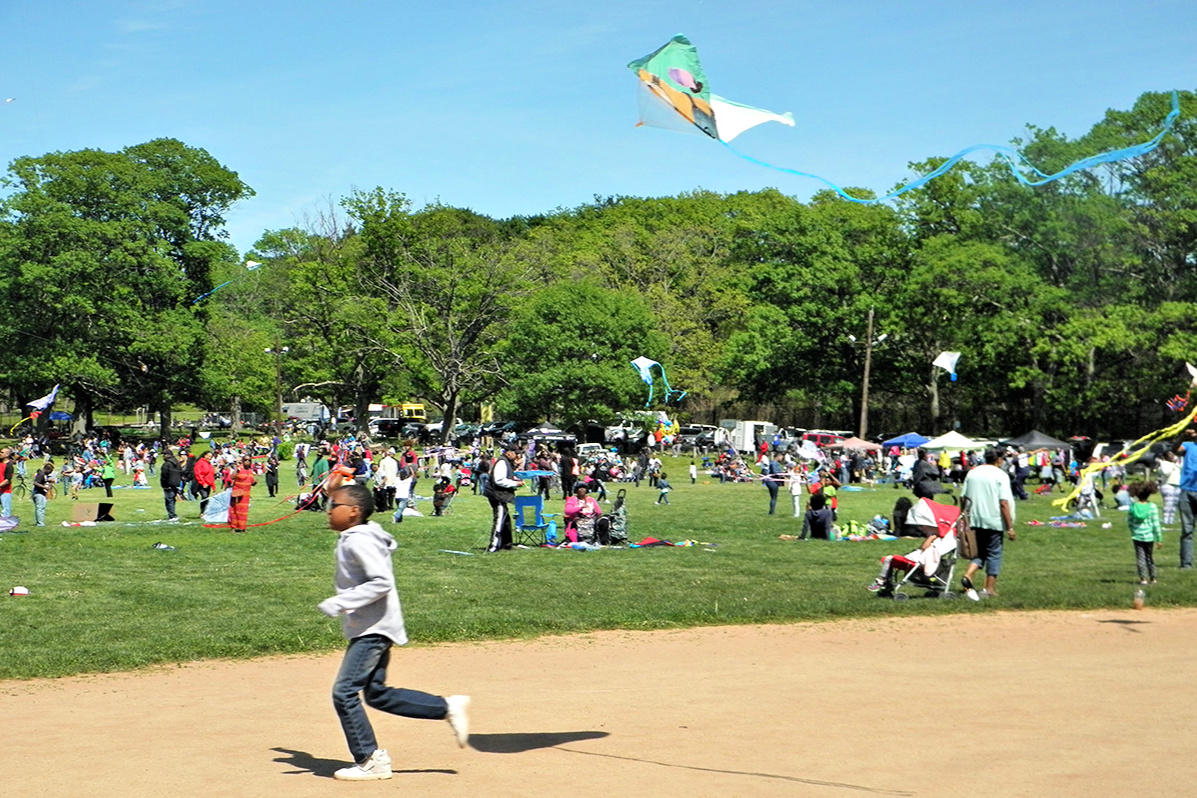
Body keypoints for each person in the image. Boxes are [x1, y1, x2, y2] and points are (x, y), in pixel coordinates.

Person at [317, 483, 470, 781]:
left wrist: (340, 602)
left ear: (353, 512)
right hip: (375, 625)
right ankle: (447, 707)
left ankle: (370, 759)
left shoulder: (357, 540)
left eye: (333, 506)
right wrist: (334, 490)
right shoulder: (360, 533)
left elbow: (380, 582)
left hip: (373, 628)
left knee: (344, 692)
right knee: (375, 694)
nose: (328, 511)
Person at [960, 448, 1016, 600]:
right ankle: (989, 588)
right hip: (994, 520)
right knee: (994, 553)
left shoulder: (973, 472)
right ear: (998, 459)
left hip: (975, 519)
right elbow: (1003, 502)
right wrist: (1009, 526)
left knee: (981, 552)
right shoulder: (1001, 475)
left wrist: (963, 516)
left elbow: (963, 497)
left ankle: (968, 575)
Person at [486, 442, 524, 552]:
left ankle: (506, 544)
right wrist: (515, 484)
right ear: (508, 453)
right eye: (515, 453)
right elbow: (499, 480)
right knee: (499, 519)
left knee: (505, 519)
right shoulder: (502, 462)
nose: (517, 456)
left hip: (501, 495)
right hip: (497, 495)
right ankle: (493, 545)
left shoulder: (507, 462)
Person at [1128, 481, 1162, 585]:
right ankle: (1153, 578)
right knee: (1149, 557)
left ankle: (1143, 579)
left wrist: (1133, 530)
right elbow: (1156, 524)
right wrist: (1159, 539)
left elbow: (1129, 522)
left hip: (1137, 536)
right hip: (1149, 537)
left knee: (1140, 558)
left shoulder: (1133, 506)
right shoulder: (1152, 507)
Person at [1173, 430, 1197, 569]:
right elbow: (1175, 449)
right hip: (1187, 491)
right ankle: (1186, 564)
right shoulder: (1187, 445)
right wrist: (1183, 435)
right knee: (1187, 530)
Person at [228, 456, 256, 534]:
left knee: (244, 511)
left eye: (249, 460)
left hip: (246, 495)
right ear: (243, 461)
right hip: (238, 493)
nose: (247, 461)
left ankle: (243, 527)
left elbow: (251, 482)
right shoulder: (239, 469)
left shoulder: (250, 471)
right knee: (235, 510)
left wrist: (254, 482)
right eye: (245, 460)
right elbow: (232, 477)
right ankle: (233, 527)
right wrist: (237, 470)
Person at [160, 447, 183, 521]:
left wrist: (163, 484)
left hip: (168, 484)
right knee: (173, 500)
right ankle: (173, 514)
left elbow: (164, 475)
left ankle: (172, 515)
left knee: (169, 500)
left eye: (164, 454)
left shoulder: (166, 464)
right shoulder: (177, 463)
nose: (163, 456)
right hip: (176, 483)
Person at [31, 461, 54, 527]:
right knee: (40, 508)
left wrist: (49, 480)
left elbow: (43, 481)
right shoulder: (41, 474)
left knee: (42, 508)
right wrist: (45, 487)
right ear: (48, 469)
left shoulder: (44, 475)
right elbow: (35, 482)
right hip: (38, 494)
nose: (50, 473)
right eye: (50, 471)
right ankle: (40, 523)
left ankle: (40, 522)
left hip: (42, 493)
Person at [194, 449, 216, 514]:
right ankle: (202, 512)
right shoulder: (200, 463)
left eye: (211, 457)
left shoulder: (209, 464)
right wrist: (203, 483)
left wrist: (213, 485)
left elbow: (211, 475)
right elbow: (198, 474)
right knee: (205, 497)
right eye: (209, 456)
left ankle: (205, 511)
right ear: (204, 456)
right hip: (201, 484)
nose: (210, 458)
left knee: (207, 498)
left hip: (208, 484)